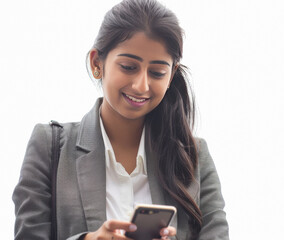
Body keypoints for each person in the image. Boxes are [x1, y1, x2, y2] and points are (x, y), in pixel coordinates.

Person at [12, 0, 229, 239]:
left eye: (157, 73)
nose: (141, 85)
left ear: (171, 75)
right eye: (128, 67)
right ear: (97, 63)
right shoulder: (50, 147)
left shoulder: (194, 156)